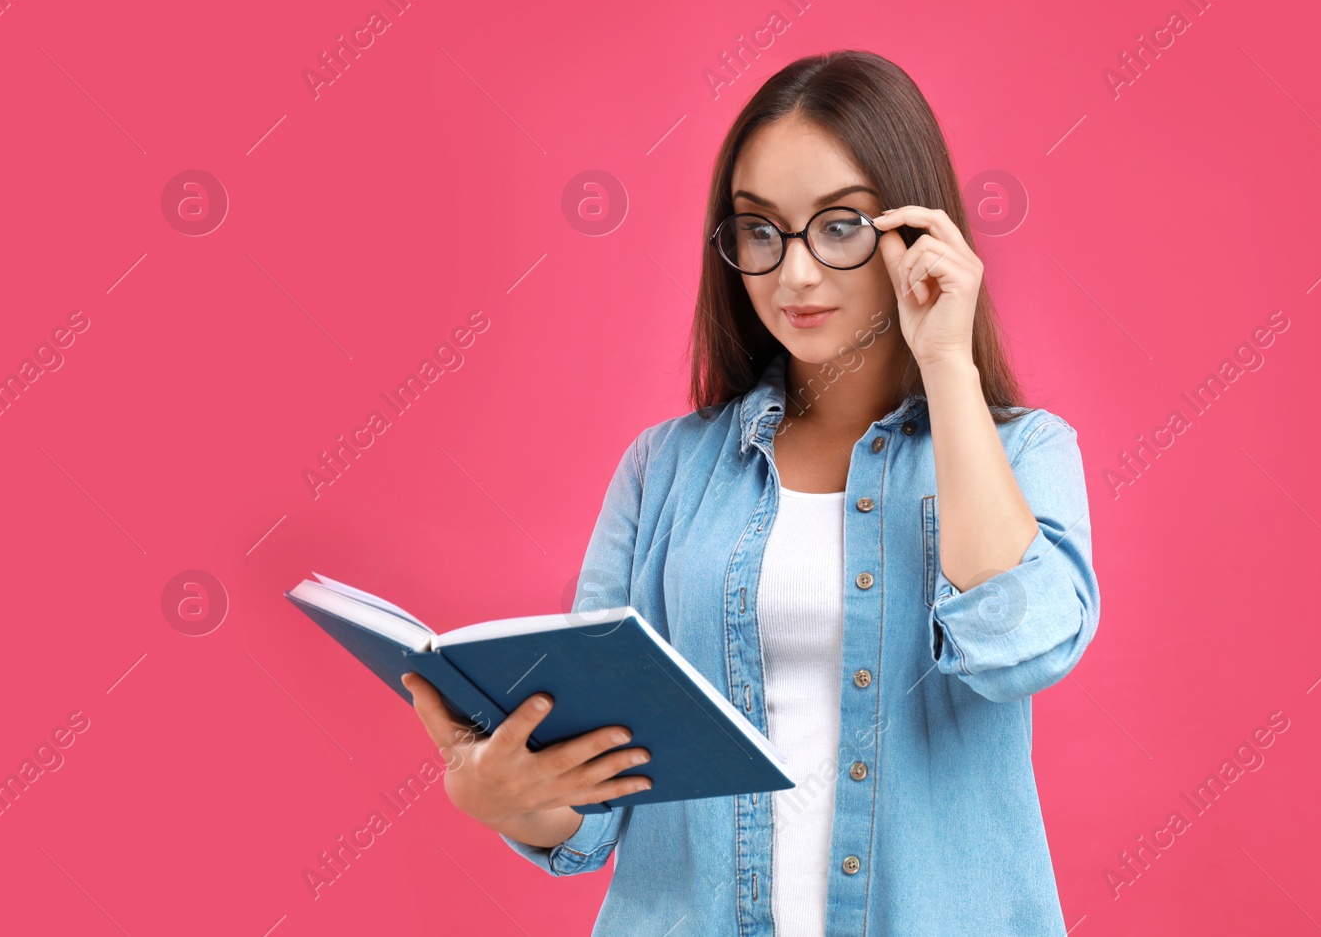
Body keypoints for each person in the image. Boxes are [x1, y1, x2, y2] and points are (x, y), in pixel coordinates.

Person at [401, 49, 1101, 935]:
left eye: (839, 225)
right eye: (760, 230)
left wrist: (947, 365)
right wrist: (506, 796)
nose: (794, 273)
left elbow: (1019, 650)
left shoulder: (1023, 452)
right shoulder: (665, 471)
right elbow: (598, 801)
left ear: (916, 231)